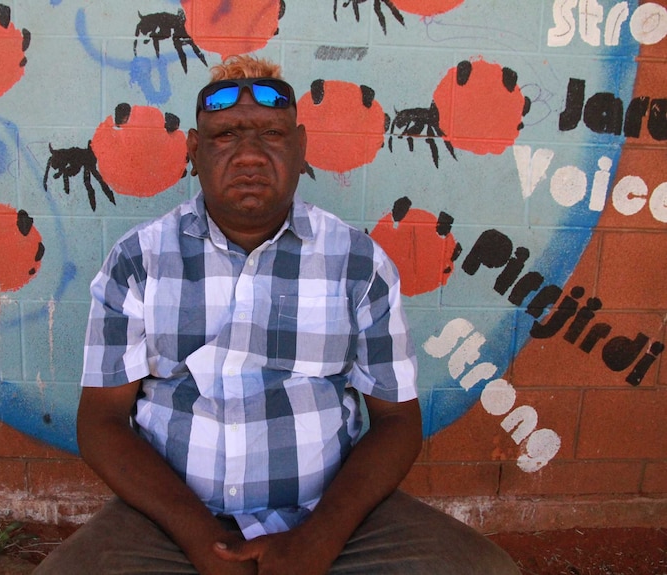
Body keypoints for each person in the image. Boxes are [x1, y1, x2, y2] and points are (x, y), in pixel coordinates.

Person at [34, 55, 519, 575]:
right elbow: (101, 421)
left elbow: (397, 420)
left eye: (271, 134)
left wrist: (319, 541)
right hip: (173, 519)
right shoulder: (139, 260)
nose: (249, 156)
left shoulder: (358, 262)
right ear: (195, 152)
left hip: (327, 512)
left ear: (301, 147)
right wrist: (202, 540)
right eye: (225, 136)